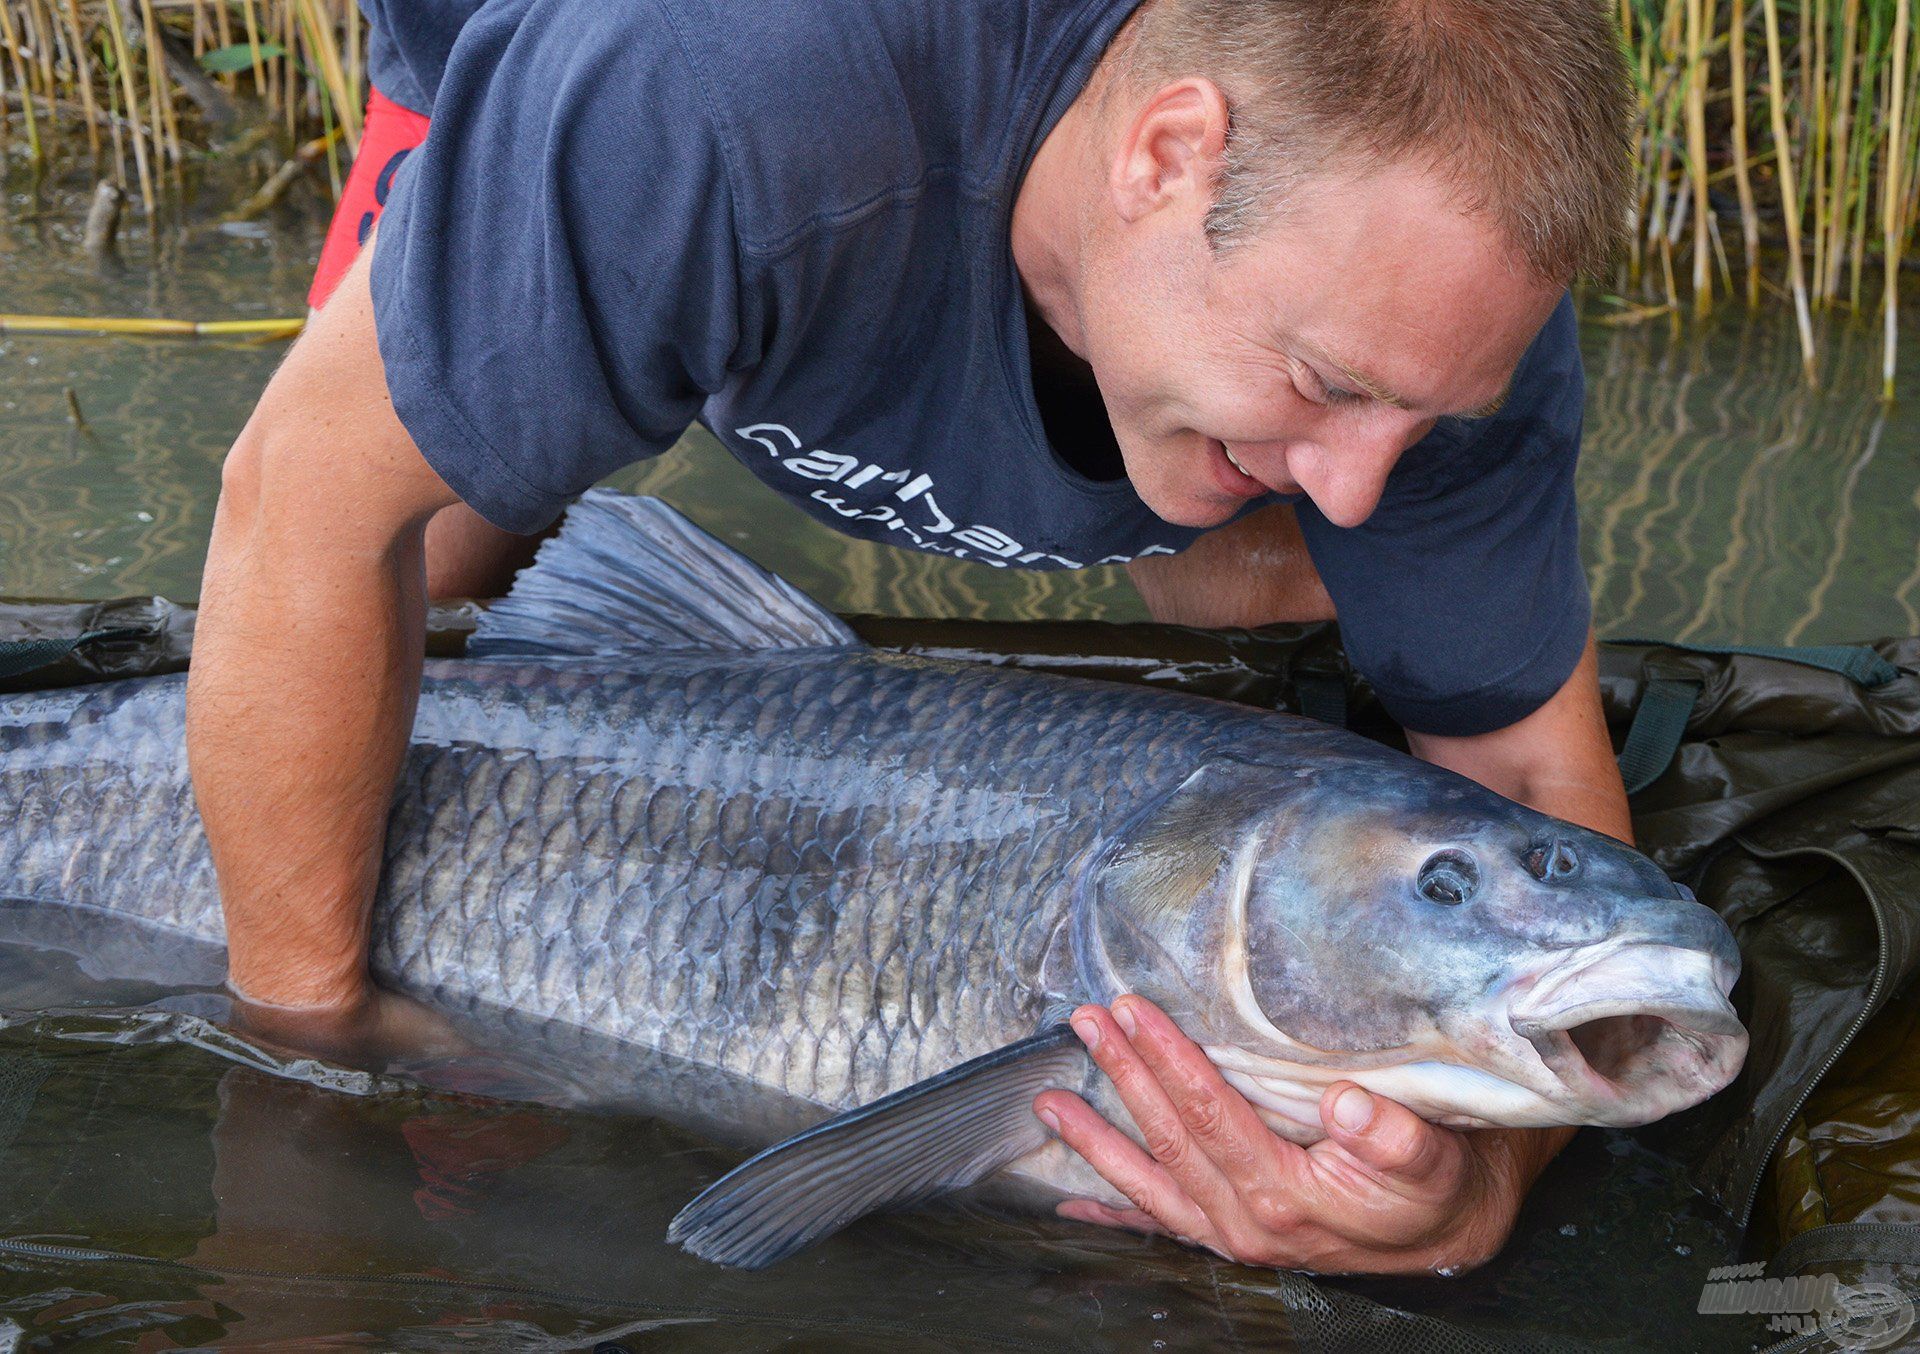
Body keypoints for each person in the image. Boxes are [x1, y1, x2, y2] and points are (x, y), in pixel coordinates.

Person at [188, 0, 1636, 1275]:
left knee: (1265, 575)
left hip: (888, 203)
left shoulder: (1423, 302)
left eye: (1420, 417)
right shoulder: (710, 93)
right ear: (1164, 154)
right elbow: (301, 509)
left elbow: (1525, 759)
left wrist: (1474, 1193)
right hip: (630, 85)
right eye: (1324, 382)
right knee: (431, 536)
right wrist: (307, 1057)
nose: (1366, 479)